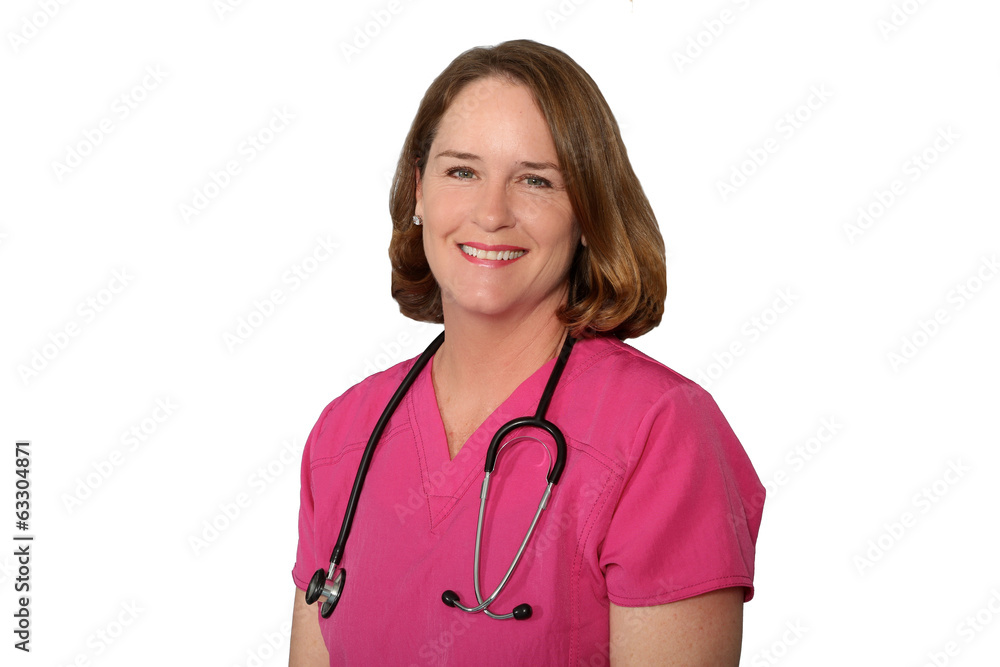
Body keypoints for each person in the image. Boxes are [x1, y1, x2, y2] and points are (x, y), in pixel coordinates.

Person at [289, 39, 764, 666]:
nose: (491, 214)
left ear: (588, 213)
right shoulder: (345, 432)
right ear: (418, 190)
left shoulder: (660, 432)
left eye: (535, 181)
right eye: (462, 172)